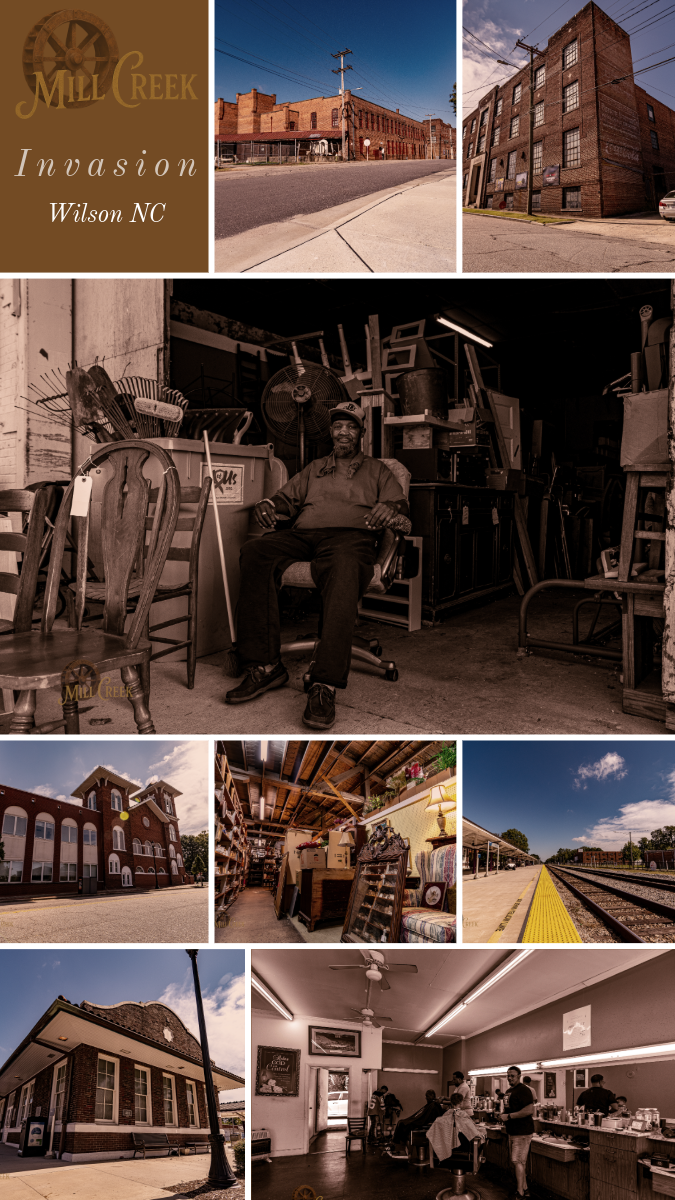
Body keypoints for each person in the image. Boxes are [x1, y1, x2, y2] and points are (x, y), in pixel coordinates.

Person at [225, 401, 409, 729]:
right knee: (254, 552)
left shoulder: (378, 469)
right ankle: (265, 667)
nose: (343, 431)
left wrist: (390, 508)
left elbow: (400, 503)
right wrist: (268, 503)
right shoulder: (314, 468)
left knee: (344, 566)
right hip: (305, 535)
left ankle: (324, 684)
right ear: (330, 432)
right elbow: (285, 499)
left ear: (361, 434)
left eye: (351, 426)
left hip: (352, 537)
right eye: (338, 425)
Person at [498, 1065, 535, 1199]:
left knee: (517, 1160)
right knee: (520, 1162)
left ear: (519, 1076)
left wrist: (509, 1116)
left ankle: (520, 1193)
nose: (510, 1078)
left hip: (522, 1131)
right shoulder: (508, 1091)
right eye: (508, 1075)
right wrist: (503, 1115)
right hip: (513, 1131)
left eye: (512, 1076)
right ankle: (525, 1189)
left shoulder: (524, 1090)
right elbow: (510, 1109)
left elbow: (529, 1110)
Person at [428, 1093, 486, 1168]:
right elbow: (473, 1131)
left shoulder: (443, 1117)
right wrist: (479, 1132)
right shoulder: (464, 1116)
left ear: (451, 1103)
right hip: (465, 1153)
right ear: (461, 1103)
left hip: (446, 1151)